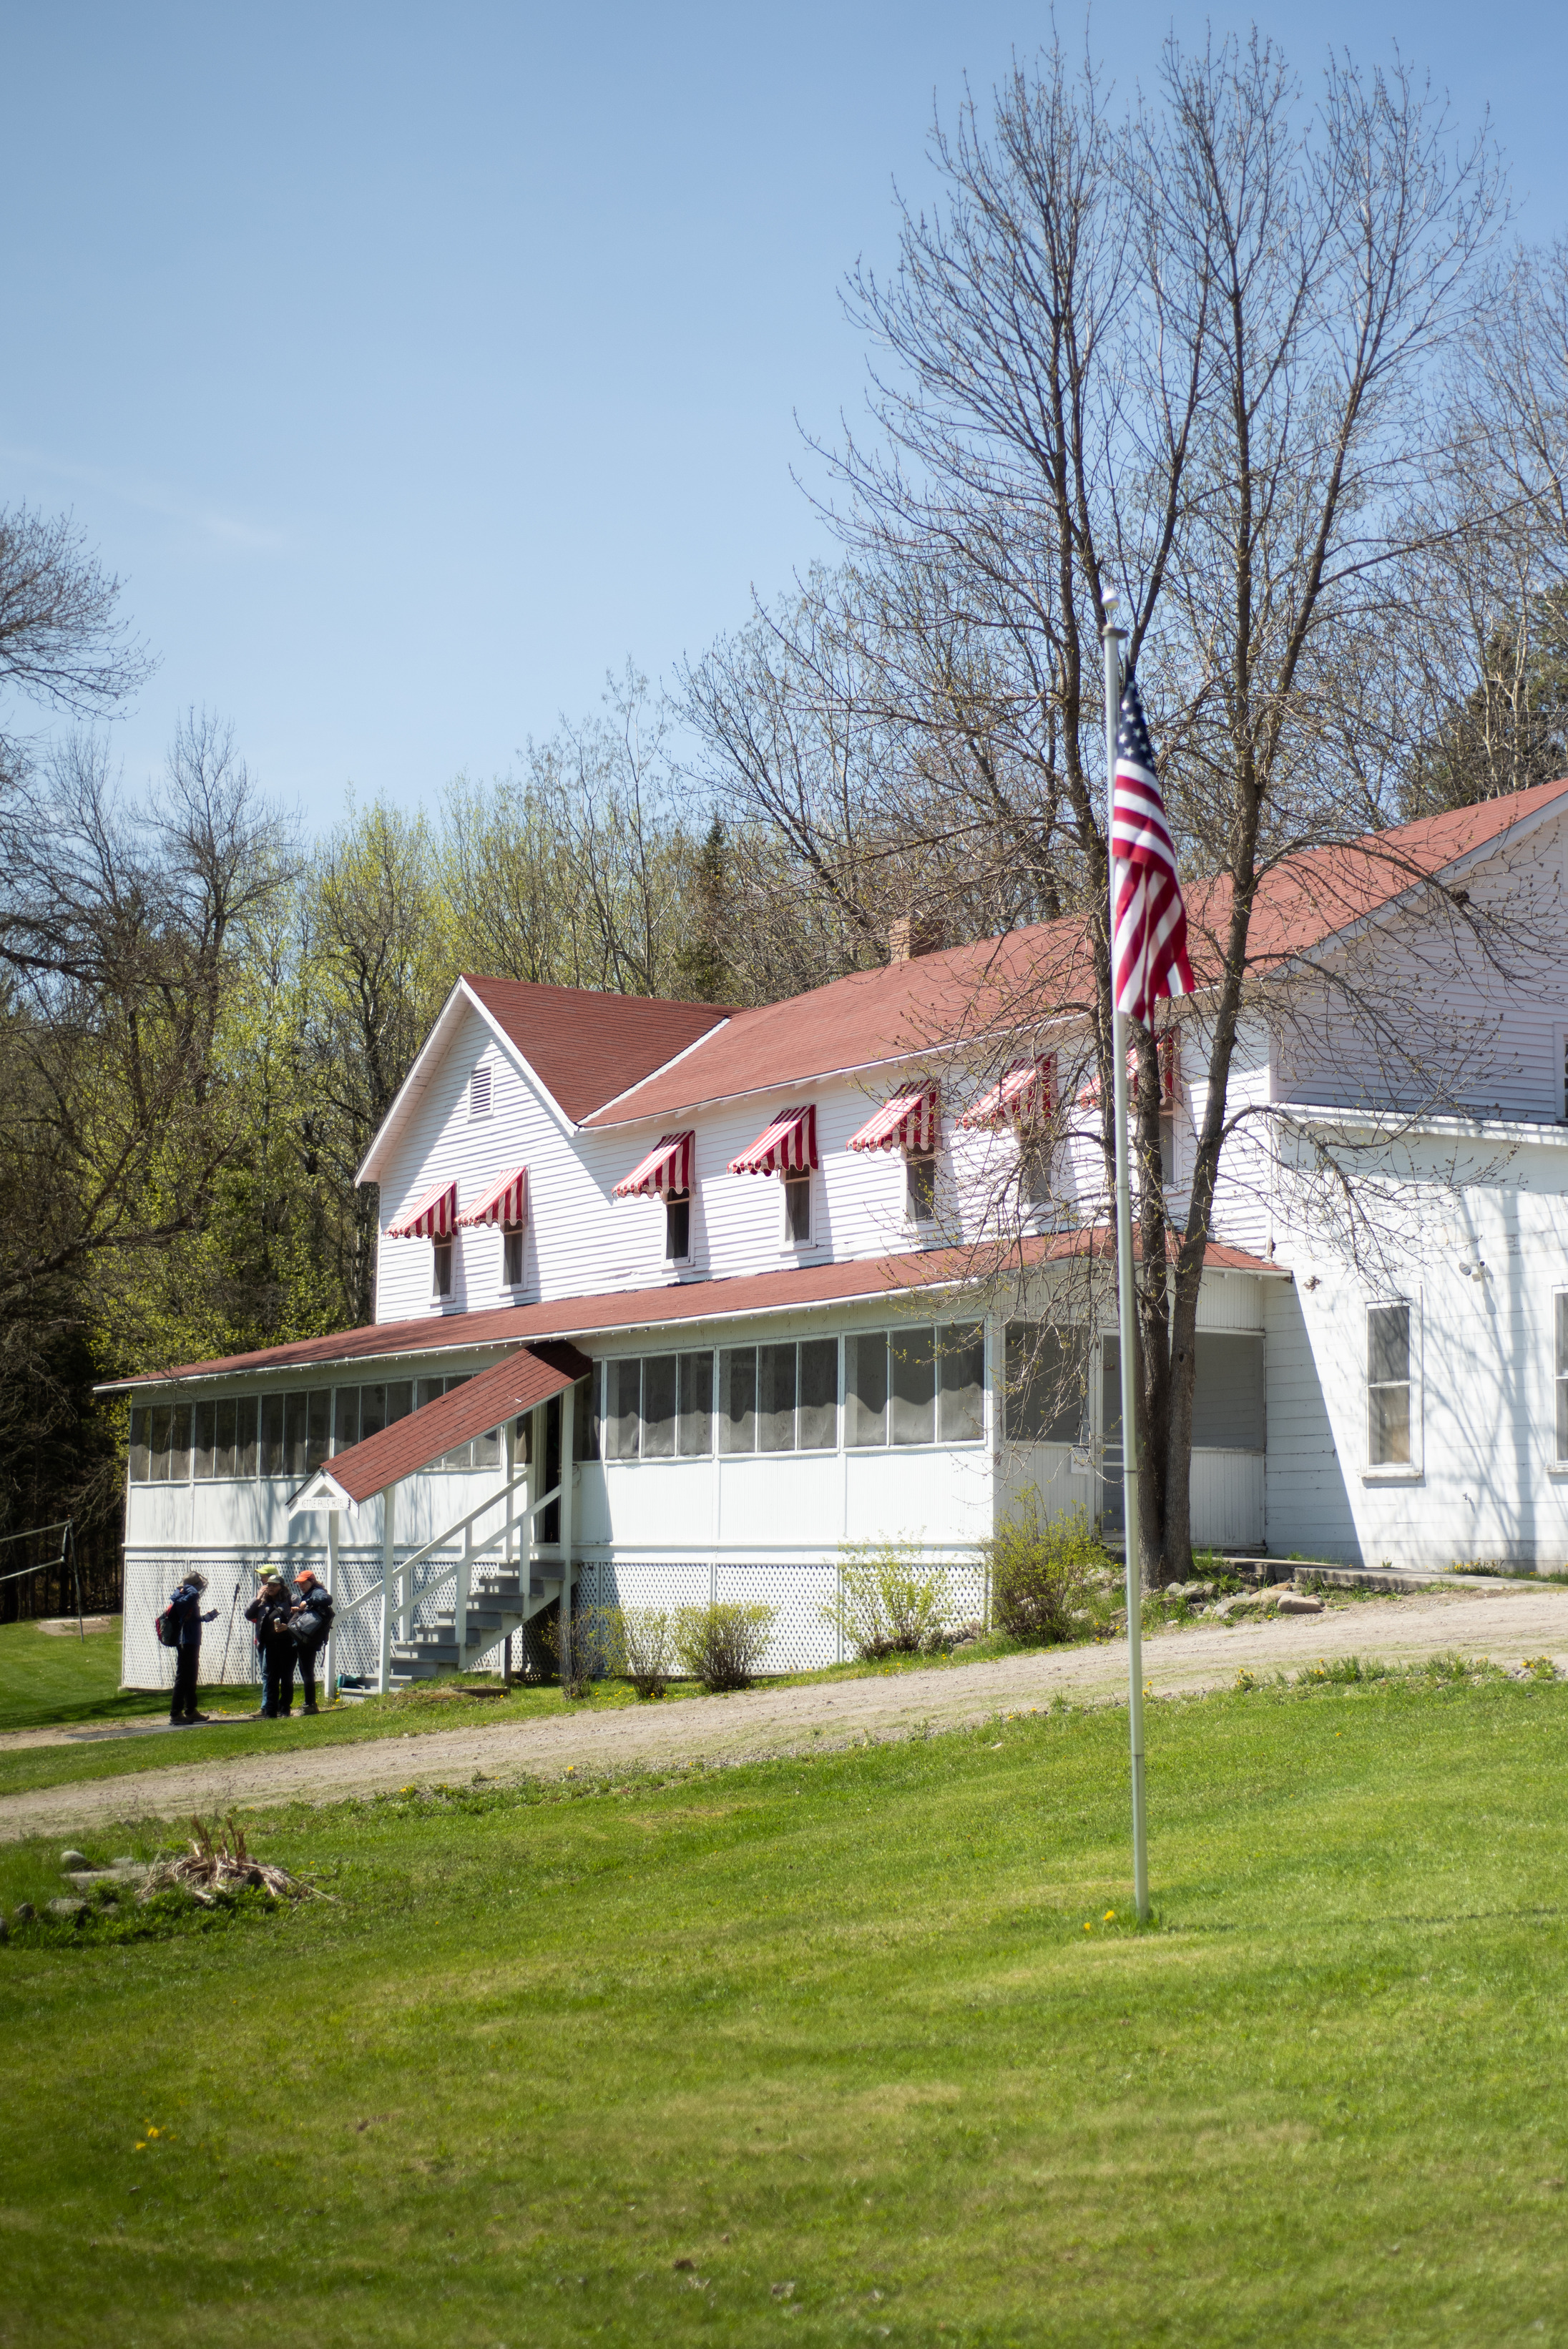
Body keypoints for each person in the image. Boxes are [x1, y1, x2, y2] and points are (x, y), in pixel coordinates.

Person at [166, 1572, 217, 1724]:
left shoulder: (183, 1597)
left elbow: (191, 1618)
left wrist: (204, 1618)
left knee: (191, 1677)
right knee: (183, 1677)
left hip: (192, 1640)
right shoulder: (186, 1597)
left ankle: (190, 1710)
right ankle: (176, 1713)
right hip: (186, 1641)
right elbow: (192, 1594)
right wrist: (186, 1587)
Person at [244, 1571, 297, 1718]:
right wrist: (257, 1598)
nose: (271, 1588)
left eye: (274, 1585)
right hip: (269, 1645)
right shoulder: (262, 1601)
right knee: (271, 1678)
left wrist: (289, 1626)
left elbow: (301, 1618)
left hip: (288, 1645)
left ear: (281, 1587)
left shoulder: (291, 1599)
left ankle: (285, 1709)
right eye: (269, 1585)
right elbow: (248, 1614)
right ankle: (270, 1711)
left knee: (286, 1678)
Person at [290, 1569, 334, 1716]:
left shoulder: (317, 1592)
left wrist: (307, 1602)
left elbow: (327, 1599)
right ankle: (311, 1704)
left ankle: (310, 1705)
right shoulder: (310, 1593)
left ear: (312, 1582)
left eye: (304, 1583)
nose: (301, 1586)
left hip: (309, 1640)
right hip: (306, 1638)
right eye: (299, 1584)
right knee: (305, 1672)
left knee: (307, 1672)